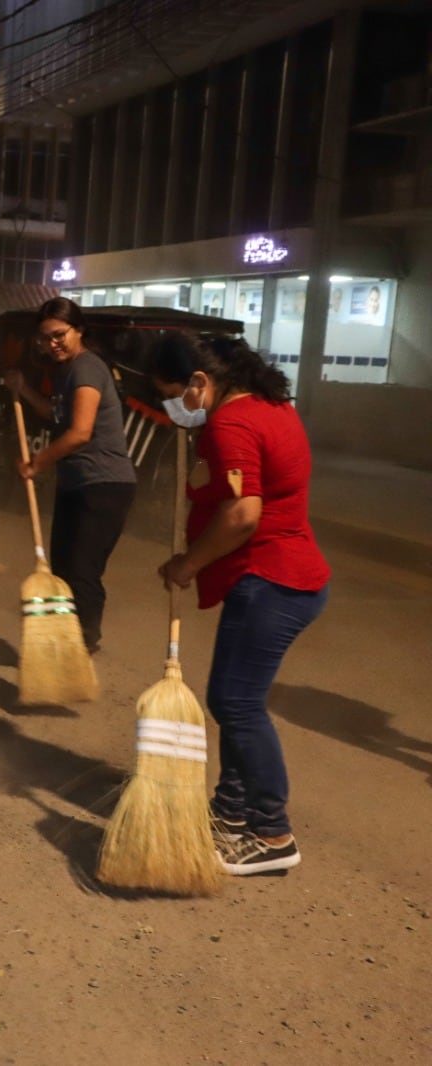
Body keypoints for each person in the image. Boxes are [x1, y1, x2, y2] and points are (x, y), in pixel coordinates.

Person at [152, 332, 330, 875]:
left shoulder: (230, 422)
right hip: (285, 577)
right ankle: (230, 815)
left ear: (201, 382)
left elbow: (242, 514)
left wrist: (188, 564)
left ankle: (273, 834)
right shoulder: (270, 406)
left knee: (235, 704)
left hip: (271, 581)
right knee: (237, 700)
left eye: (174, 394)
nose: (174, 407)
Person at [4, 297, 135, 653]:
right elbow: (56, 415)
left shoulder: (87, 367)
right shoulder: (65, 371)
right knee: (62, 571)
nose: (52, 344)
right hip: (77, 483)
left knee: (82, 571)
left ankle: (84, 644)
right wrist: (25, 391)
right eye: (44, 338)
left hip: (104, 484)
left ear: (78, 331)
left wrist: (37, 462)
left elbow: (80, 432)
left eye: (59, 335)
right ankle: (64, 641)